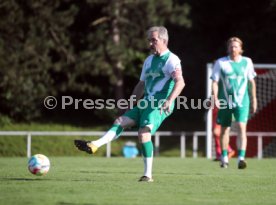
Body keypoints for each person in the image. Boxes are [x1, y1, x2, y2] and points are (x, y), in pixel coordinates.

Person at [74, 26, 185, 181]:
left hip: (159, 104)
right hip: (145, 103)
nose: (150, 44)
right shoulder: (148, 61)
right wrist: (130, 103)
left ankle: (148, 175)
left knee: (143, 133)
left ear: (164, 41)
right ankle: (95, 145)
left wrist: (169, 100)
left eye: (154, 40)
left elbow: (180, 82)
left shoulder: (171, 60)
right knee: (120, 121)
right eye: (149, 41)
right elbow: (140, 85)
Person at [211, 37, 257, 169]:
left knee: (242, 128)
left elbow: (251, 81)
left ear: (241, 48)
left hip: (242, 101)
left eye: (236, 46)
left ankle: (241, 158)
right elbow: (214, 81)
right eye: (231, 46)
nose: (233, 49)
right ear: (228, 48)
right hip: (226, 102)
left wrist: (254, 99)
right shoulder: (221, 63)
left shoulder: (247, 62)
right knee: (225, 129)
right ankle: (224, 157)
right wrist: (215, 98)